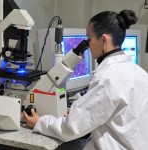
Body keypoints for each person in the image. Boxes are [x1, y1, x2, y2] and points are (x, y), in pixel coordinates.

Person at [23, 10, 148, 150]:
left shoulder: (107, 78)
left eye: (89, 39)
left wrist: (39, 122)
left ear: (104, 39)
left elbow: (71, 129)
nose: (87, 45)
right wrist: (80, 110)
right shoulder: (140, 73)